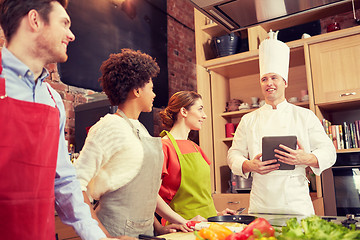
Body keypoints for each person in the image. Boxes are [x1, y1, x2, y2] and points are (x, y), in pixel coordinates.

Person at [0, 0, 128, 239]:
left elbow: (64, 182)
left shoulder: (53, 100)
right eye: (65, 23)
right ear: (35, 20)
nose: (71, 35)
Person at [74, 49, 190, 238]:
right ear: (137, 90)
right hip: (113, 231)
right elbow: (76, 187)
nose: (153, 95)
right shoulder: (108, 127)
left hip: (145, 233)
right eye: (150, 88)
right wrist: (106, 238)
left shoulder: (139, 129)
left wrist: (158, 228)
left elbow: (141, 192)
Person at [227, 30, 336, 216]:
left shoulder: (305, 116)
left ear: (285, 82)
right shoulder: (248, 120)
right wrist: (248, 165)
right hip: (261, 205)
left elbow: (329, 152)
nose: (269, 83)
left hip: (297, 204)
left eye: (274, 78)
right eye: (264, 79)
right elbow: (233, 154)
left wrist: (305, 158)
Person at [159, 91, 236, 222]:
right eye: (200, 109)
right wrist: (185, 222)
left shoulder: (195, 147)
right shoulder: (163, 147)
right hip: (182, 228)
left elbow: (199, 196)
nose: (204, 116)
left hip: (208, 223)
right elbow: (152, 197)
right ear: (184, 111)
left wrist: (217, 213)